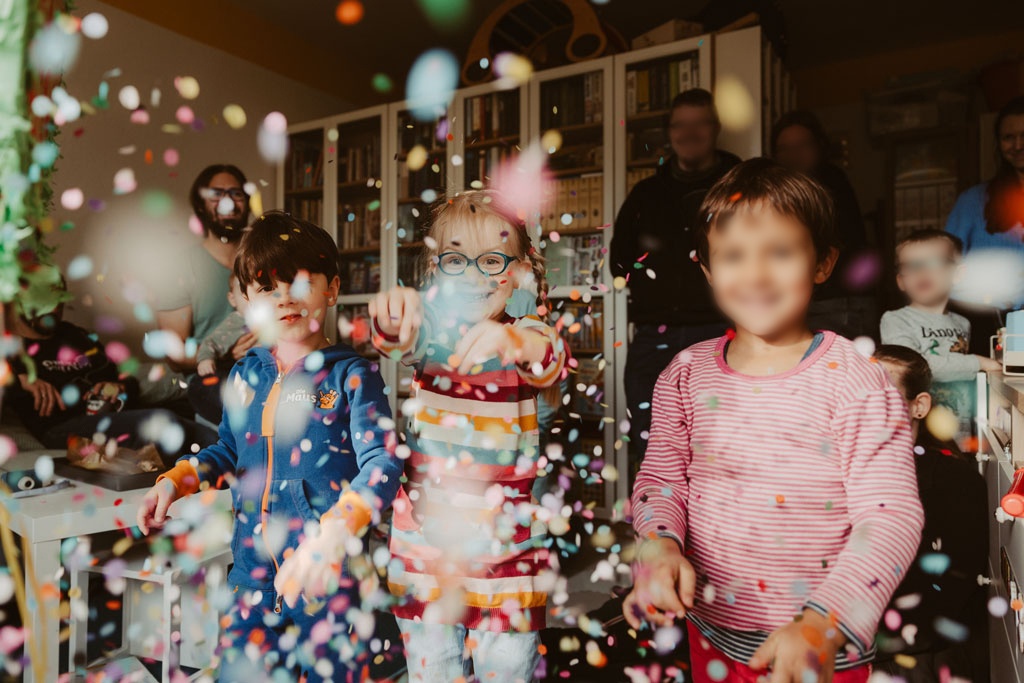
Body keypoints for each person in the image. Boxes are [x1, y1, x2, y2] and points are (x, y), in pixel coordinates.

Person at [624, 159, 924, 682]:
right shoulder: (683, 375)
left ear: (823, 262)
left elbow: (891, 515)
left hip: (819, 647)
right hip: (712, 633)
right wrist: (659, 544)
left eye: (780, 253)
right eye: (734, 256)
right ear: (708, 269)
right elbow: (660, 480)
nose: (756, 274)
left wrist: (825, 622)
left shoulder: (856, 380)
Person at [137, 212, 403, 682]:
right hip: (252, 578)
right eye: (266, 288)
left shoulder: (353, 376)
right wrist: (176, 482)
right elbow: (226, 451)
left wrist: (331, 536)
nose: (285, 298)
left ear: (332, 288)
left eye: (299, 282)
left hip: (330, 580)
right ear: (248, 303)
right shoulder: (244, 375)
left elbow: (382, 464)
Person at [364, 190, 566, 682]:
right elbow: (399, 337)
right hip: (428, 544)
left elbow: (550, 357)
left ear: (520, 271)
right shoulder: (433, 331)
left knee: (509, 669)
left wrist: (515, 341)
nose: (475, 275)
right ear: (437, 270)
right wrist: (394, 316)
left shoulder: (530, 330)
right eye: (456, 260)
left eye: (493, 259)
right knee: (435, 671)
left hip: (509, 543)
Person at [609, 88, 741, 467]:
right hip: (655, 335)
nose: (690, 132)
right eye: (680, 125)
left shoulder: (743, 185)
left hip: (724, 329)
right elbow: (619, 262)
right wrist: (656, 285)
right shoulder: (646, 194)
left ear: (715, 128)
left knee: (721, 443)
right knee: (651, 441)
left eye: (699, 123)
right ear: (670, 132)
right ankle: (657, 526)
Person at [870, 345, 989, 683]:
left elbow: (952, 591)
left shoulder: (955, 480)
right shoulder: (837, 475)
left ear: (918, 406)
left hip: (912, 656)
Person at [4, 275, 216, 463]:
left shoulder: (76, 336)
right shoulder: (12, 351)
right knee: (162, 422)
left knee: (186, 417)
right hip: (60, 428)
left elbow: (120, 376)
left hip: (110, 414)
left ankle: (230, 463)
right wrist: (19, 374)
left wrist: (117, 386)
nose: (55, 309)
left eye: (58, 298)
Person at [879, 229, 1000, 448]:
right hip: (920, 430)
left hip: (961, 426)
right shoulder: (895, 320)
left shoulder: (963, 323)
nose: (921, 272)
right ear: (901, 280)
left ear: (957, 274)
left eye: (934, 262)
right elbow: (910, 369)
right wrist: (979, 363)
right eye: (911, 266)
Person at [772, 110, 874, 339]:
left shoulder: (830, 184)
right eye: (784, 148)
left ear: (819, 147)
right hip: (816, 301)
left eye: (802, 145)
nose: (793, 154)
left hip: (840, 302)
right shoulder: (787, 190)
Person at [155, 164, 258, 375]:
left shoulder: (265, 260)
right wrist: (225, 354)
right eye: (216, 195)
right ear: (201, 205)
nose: (227, 202)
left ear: (247, 203)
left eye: (236, 194)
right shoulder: (178, 269)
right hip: (209, 381)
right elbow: (175, 355)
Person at [945, 96, 1024, 347]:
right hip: (987, 320)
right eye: (1008, 138)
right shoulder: (974, 200)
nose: (1018, 145)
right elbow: (945, 263)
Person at [187, 275, 250, 423]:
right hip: (241, 375)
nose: (252, 298)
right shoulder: (234, 323)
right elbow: (210, 343)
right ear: (233, 299)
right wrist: (206, 359)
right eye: (244, 292)